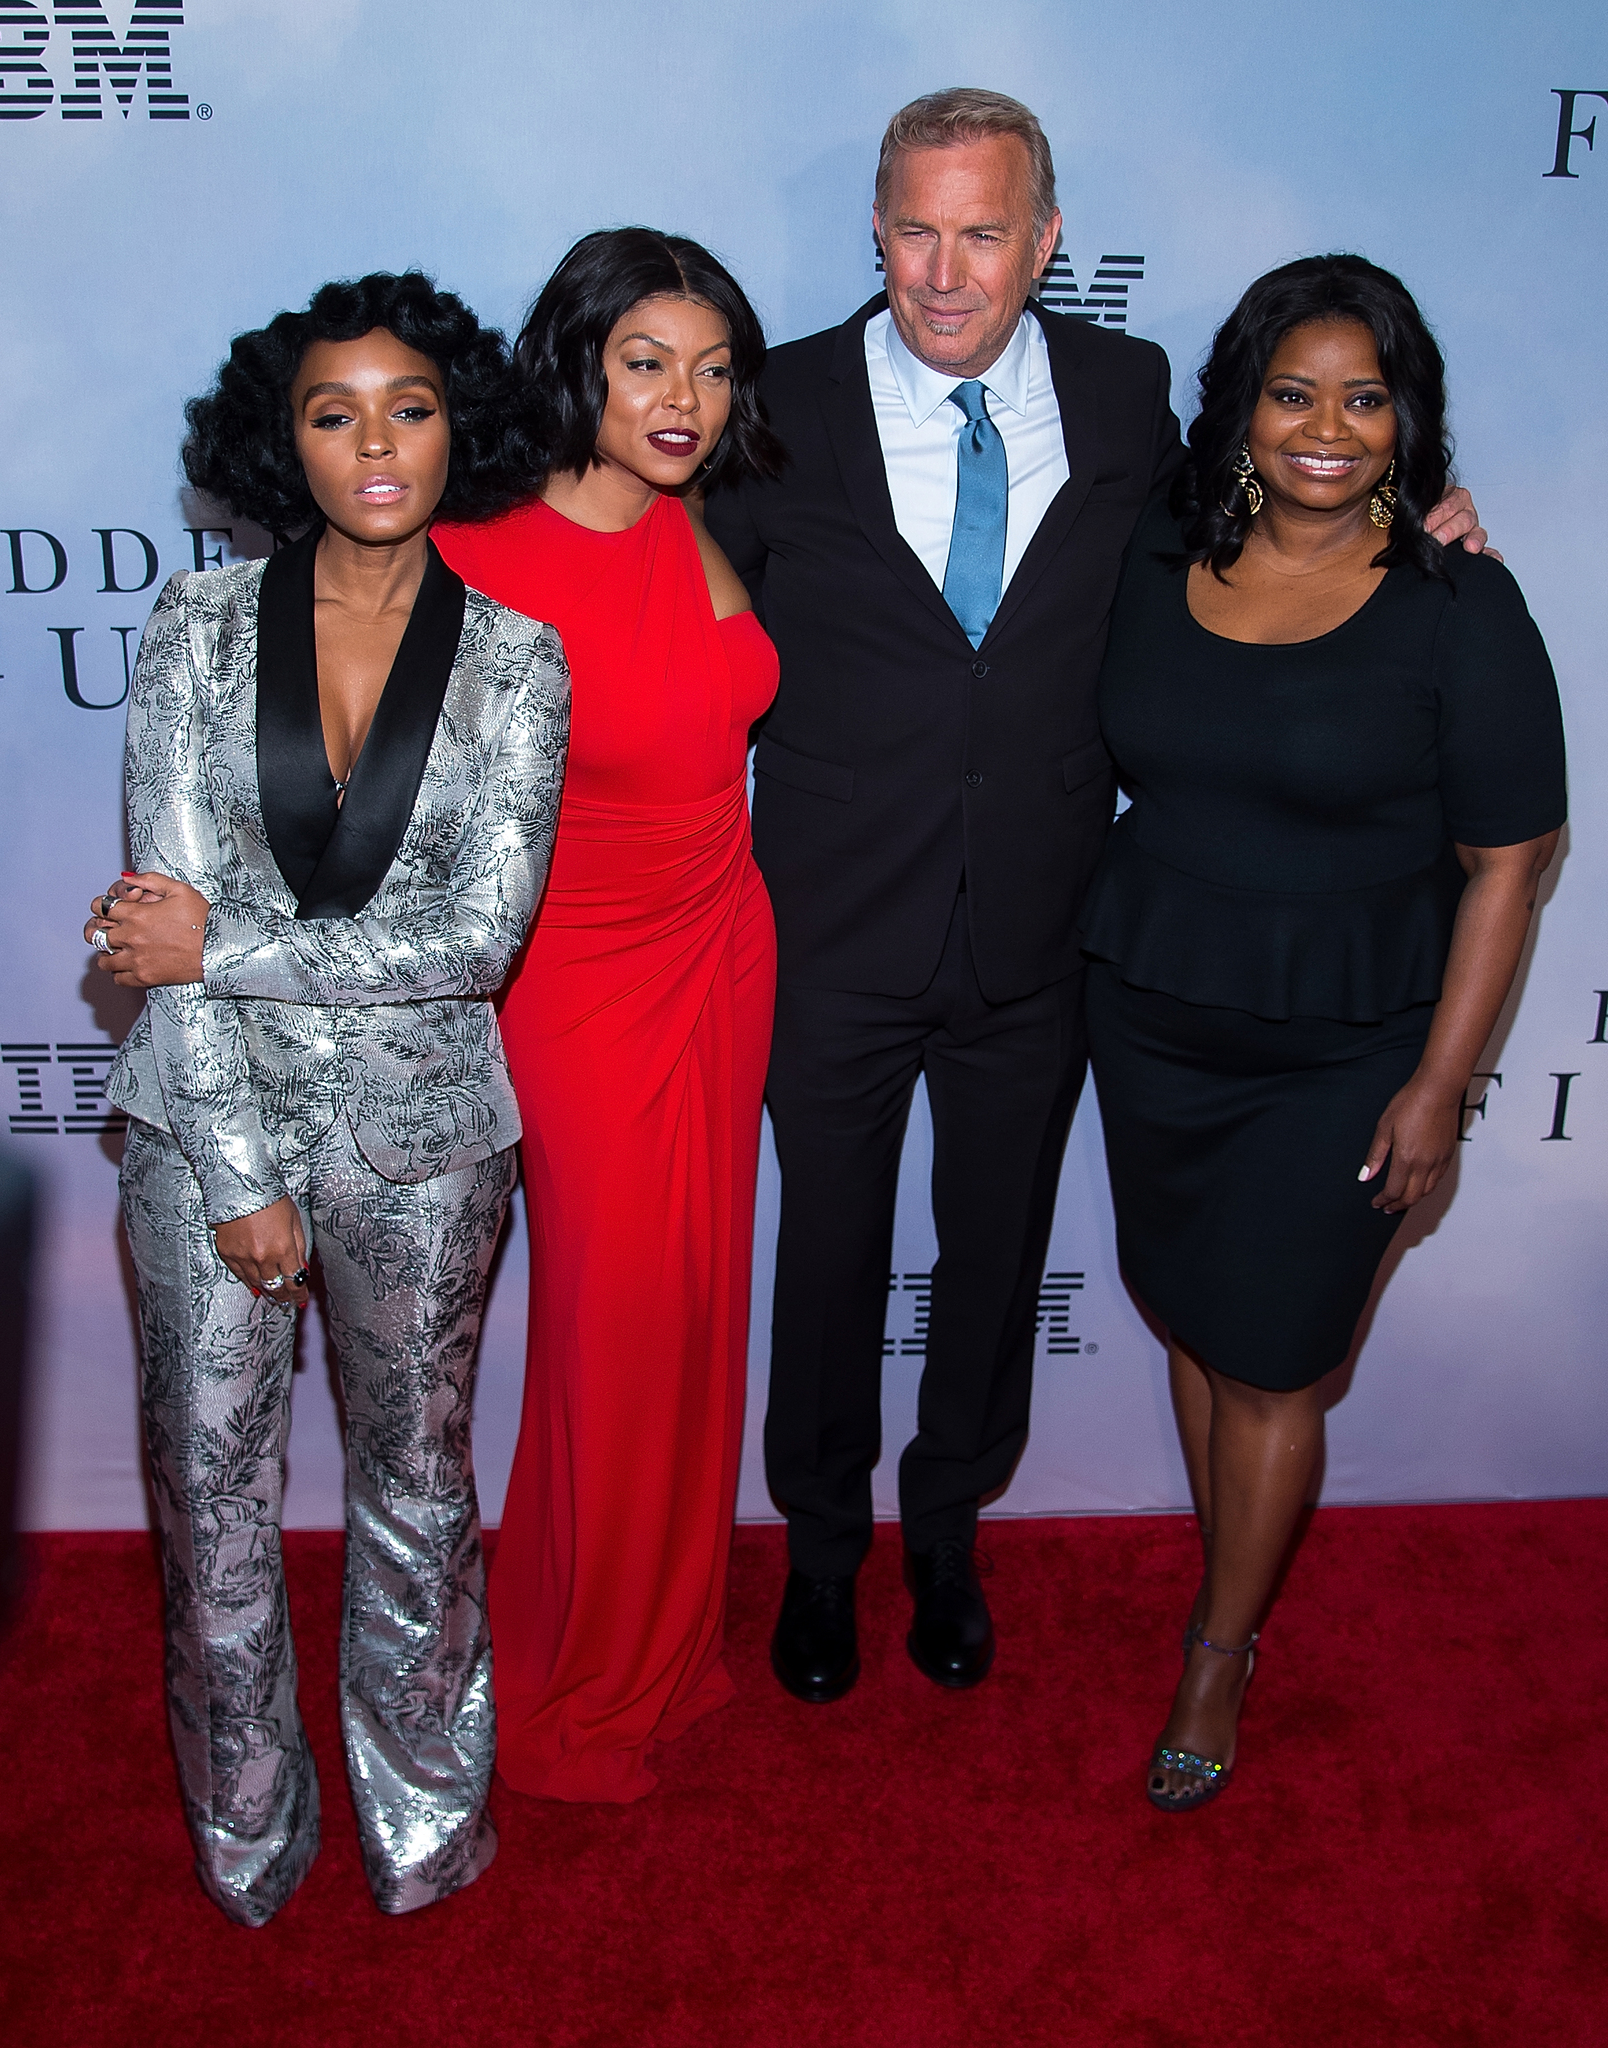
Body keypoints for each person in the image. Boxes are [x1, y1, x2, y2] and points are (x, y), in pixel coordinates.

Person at [705, 87, 1493, 1704]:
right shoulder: (772, 401)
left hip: (1049, 927)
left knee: (993, 1263)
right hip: (831, 927)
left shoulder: (1130, 395)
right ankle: (825, 1549)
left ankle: (946, 1540)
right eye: (915, 229)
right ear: (876, 228)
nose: (944, 270)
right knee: (831, 1257)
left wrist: (1429, 514)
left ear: (1044, 240)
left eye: (982, 231)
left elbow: (1291, 496)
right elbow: (661, 569)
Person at [83, 273, 569, 1921]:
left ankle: (424, 1821)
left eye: (411, 405)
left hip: (428, 1147)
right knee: (210, 1503)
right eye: (333, 409)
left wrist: (228, 942)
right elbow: (154, 932)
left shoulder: (518, 661)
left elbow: (475, 940)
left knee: (419, 1498)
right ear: (280, 441)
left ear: (460, 429)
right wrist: (233, 1174)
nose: (376, 441)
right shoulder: (192, 629)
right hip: (197, 1134)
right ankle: (245, 1831)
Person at [1080, 254, 1565, 1809]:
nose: (1328, 429)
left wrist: (1442, 1089)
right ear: (1243, 411)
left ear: (1409, 420)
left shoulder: (1460, 606)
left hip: (1351, 1047)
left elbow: (1514, 862)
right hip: (1154, 1015)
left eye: (1367, 399)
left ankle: (1220, 1654)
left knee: (1279, 1363)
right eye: (1295, 394)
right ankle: (1232, 1576)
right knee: (1200, 1322)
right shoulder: (1163, 539)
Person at [435, 230, 785, 1801]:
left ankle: (664, 1637)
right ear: (574, 360)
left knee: (700, 1315)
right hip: (580, 982)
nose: (685, 399)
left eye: (712, 369)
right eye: (647, 363)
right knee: (613, 1328)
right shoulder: (472, 558)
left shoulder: (682, 507)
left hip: (726, 944)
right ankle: (582, 1677)